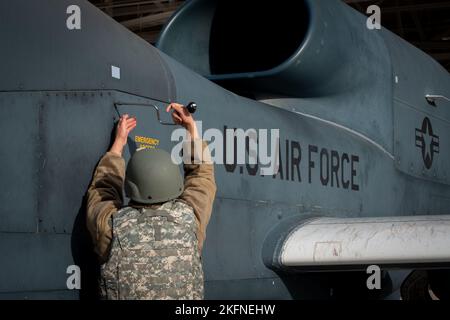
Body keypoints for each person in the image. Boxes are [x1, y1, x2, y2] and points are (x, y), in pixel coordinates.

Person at [86, 103, 216, 300]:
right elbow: (202, 177)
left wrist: (118, 145)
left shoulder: (112, 228)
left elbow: (102, 190)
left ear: (131, 187)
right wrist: (191, 128)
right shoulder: (190, 221)